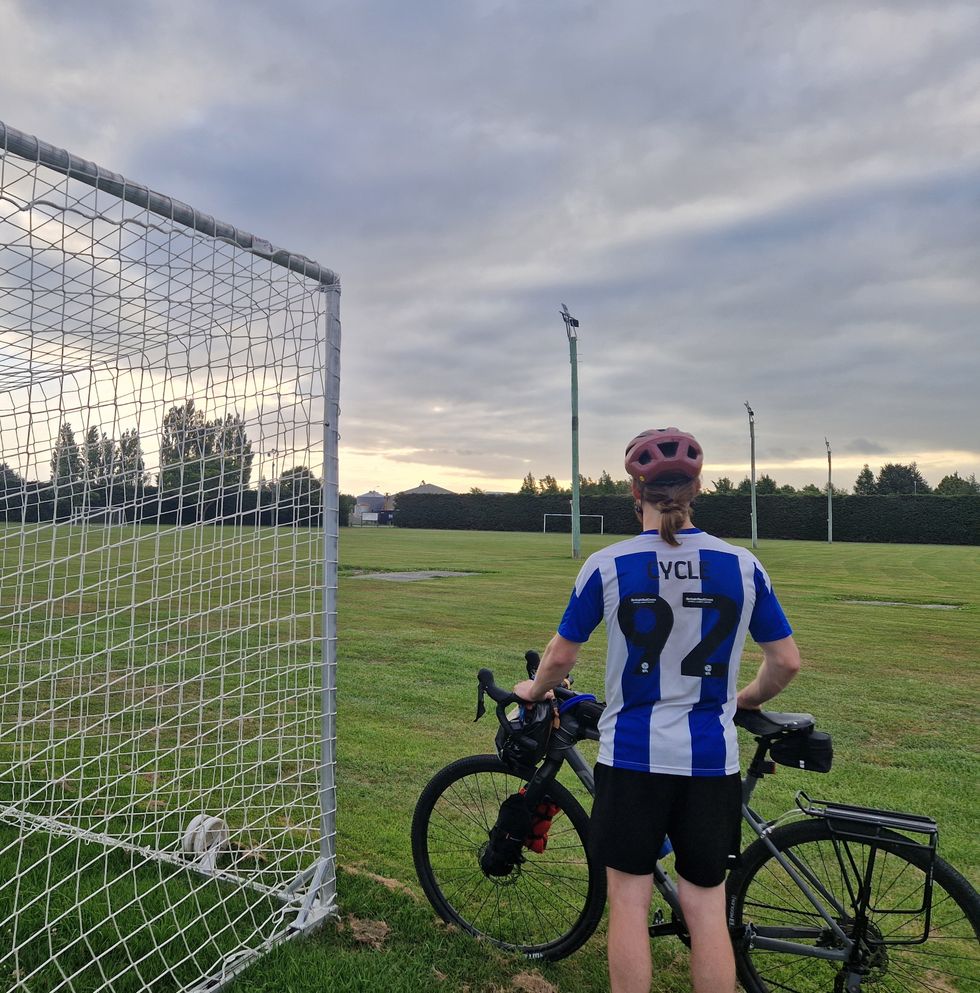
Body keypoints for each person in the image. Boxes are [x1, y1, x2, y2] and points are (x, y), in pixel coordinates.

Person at [513, 427, 801, 993]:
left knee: (628, 902)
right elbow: (786, 661)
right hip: (710, 762)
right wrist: (741, 700)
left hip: (633, 758)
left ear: (634, 493)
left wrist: (534, 690)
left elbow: (560, 656)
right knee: (707, 909)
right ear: (697, 489)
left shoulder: (608, 564)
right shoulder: (742, 565)